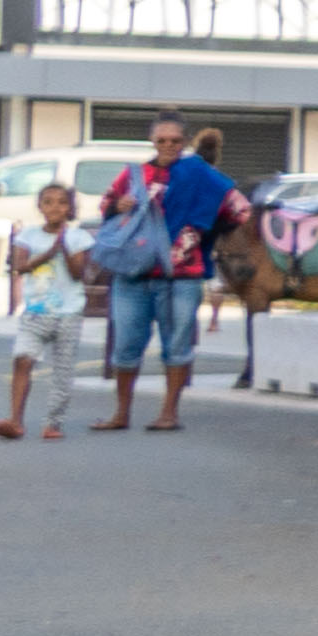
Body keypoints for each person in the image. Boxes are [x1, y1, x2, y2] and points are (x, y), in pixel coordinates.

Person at [94, 116, 225, 432]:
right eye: (161, 140)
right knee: (125, 344)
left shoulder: (201, 177)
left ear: (185, 142)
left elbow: (232, 209)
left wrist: (200, 237)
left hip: (182, 275)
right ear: (152, 141)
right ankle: (121, 413)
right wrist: (118, 207)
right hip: (133, 272)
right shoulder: (135, 174)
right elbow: (105, 206)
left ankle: (169, 413)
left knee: (177, 344)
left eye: (175, 141)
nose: (167, 146)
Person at [0, 177, 87, 439]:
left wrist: (64, 248)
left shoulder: (79, 237)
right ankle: (15, 420)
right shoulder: (28, 235)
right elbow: (19, 267)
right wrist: (47, 253)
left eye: (61, 203)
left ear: (70, 208)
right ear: (40, 207)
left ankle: (53, 423)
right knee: (23, 358)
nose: (54, 208)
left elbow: (79, 274)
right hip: (36, 312)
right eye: (48, 202)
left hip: (69, 313)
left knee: (63, 371)